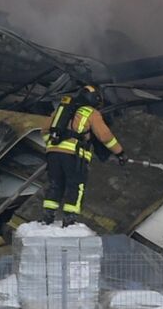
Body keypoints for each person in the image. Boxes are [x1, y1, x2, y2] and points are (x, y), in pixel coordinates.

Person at [40, 84, 127, 226]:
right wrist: (120, 152)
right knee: (76, 185)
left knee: (55, 184)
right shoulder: (91, 113)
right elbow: (105, 136)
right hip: (74, 155)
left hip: (53, 154)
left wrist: (53, 146)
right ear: (95, 99)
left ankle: (47, 217)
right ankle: (69, 219)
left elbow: (44, 130)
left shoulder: (61, 109)